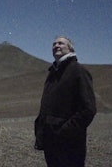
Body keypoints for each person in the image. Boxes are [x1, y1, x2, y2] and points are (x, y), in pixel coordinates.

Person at [34, 36, 96, 167]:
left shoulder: (78, 71)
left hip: (69, 142)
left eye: (61, 43)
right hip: (51, 140)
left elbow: (88, 109)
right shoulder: (52, 73)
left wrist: (64, 132)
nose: (56, 45)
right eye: (54, 43)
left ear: (70, 48)